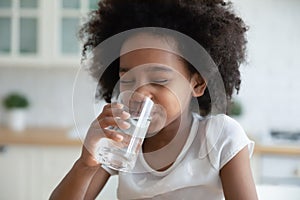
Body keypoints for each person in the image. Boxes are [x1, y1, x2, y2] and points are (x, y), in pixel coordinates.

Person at [50, 0, 258, 199]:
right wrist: (86, 163)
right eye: (128, 80)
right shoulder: (122, 140)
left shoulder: (220, 137)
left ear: (197, 84)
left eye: (159, 80)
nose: (139, 94)